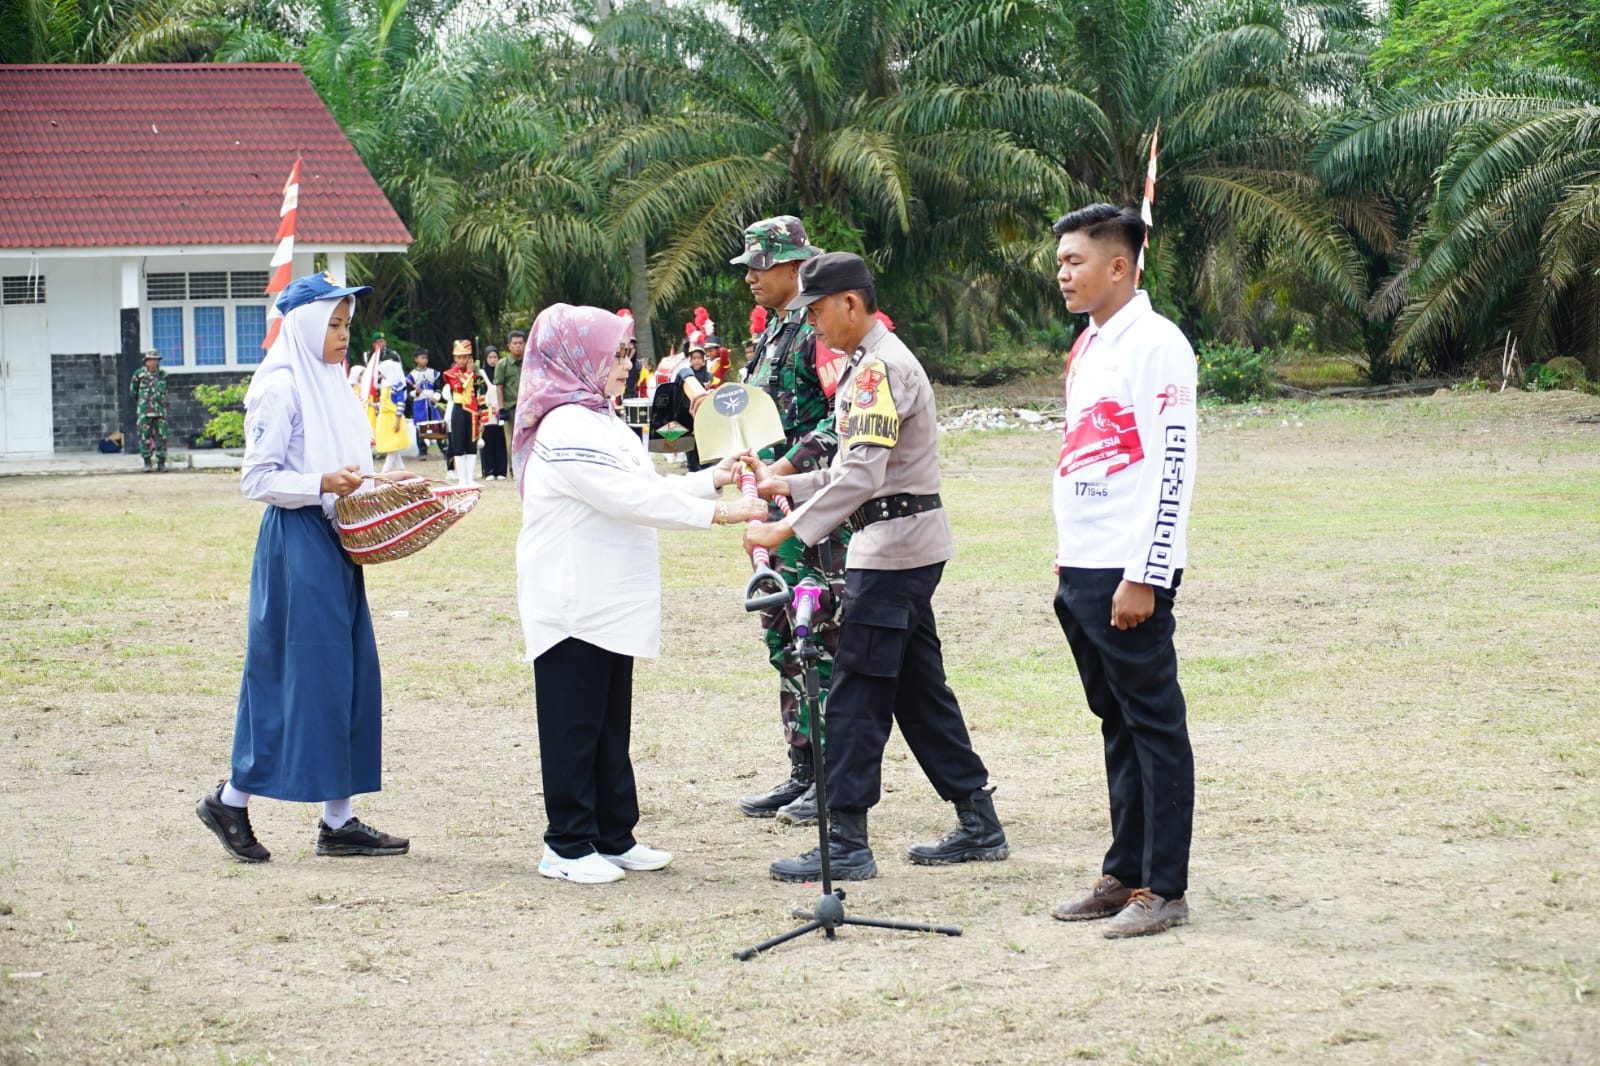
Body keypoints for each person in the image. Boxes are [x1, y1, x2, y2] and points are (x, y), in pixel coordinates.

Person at [745, 251, 1008, 882]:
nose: (812, 326)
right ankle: (978, 820)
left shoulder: (875, 371)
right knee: (919, 691)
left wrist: (787, 526)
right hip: (903, 545)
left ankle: (848, 838)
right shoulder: (875, 365)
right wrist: (787, 487)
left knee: (857, 691)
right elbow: (853, 469)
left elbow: (861, 476)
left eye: (816, 311)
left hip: (891, 552)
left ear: (850, 304)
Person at [512, 304, 765, 884]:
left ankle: (612, 834)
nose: (626, 364)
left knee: (607, 723)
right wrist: (722, 513)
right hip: (573, 599)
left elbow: (645, 484)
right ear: (578, 359)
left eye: (628, 353)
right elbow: (628, 500)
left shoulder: (599, 418)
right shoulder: (566, 425)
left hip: (608, 598)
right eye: (617, 354)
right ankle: (567, 844)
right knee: (573, 725)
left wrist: (713, 475)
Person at [195, 271, 408, 863]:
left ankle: (336, 820)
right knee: (295, 680)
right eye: (334, 324)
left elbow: (346, 465)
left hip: (335, 540)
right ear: (307, 324)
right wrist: (319, 484)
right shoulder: (280, 388)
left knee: (346, 677)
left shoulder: (331, 384)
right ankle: (230, 800)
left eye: (346, 324)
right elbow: (256, 479)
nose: (344, 336)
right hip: (297, 545)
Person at [1045, 204, 1198, 938]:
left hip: (1126, 571)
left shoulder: (1156, 343)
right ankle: (1125, 870)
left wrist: (1146, 572)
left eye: (1075, 260)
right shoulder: (1092, 344)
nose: (1063, 273)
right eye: (1060, 262)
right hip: (1082, 567)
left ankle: (1164, 888)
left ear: (1119, 264)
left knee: (1154, 725)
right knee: (1117, 724)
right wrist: (1066, 561)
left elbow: (1173, 466)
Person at [728, 215, 847, 828]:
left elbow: (842, 421)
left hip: (814, 513)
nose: (749, 276)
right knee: (784, 639)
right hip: (774, 509)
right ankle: (803, 770)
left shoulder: (820, 329)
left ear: (794, 265)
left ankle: (832, 780)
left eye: (759, 264)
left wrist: (786, 466)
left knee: (819, 639)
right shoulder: (775, 331)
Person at [442, 339, 487, 486]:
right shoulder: (450, 374)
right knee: (459, 445)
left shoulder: (476, 375)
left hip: (473, 412)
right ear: (454, 358)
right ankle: (462, 479)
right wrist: (469, 372)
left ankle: (470, 478)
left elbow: (481, 396)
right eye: (459, 357)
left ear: (470, 357)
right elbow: (459, 388)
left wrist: (483, 419)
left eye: (465, 356)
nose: (461, 360)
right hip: (459, 410)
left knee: (471, 446)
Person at [129, 349, 168, 473]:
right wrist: (143, 403)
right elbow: (133, 391)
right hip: (144, 410)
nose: (153, 362)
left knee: (162, 436)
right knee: (144, 435)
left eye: (155, 360)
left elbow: (165, 391)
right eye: (150, 360)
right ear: (146, 361)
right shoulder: (139, 374)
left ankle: (161, 463)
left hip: (160, 410)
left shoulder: (163, 374)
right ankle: (147, 462)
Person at [373, 357, 412, 473]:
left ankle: (386, 470)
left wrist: (397, 421)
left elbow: (401, 404)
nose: (382, 375)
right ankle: (401, 468)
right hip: (384, 419)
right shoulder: (386, 386)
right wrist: (373, 405)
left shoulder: (397, 386)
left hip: (393, 418)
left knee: (392, 447)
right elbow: (383, 404)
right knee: (392, 446)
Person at [495, 329, 526, 473]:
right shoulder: (503, 364)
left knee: (527, 437)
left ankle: (527, 466)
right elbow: (499, 387)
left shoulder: (529, 361)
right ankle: (514, 467)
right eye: (515, 343)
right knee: (511, 440)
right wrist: (501, 409)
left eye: (520, 343)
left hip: (527, 406)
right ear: (509, 346)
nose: (518, 346)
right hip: (510, 407)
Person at [407, 349, 446, 461]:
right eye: (422, 358)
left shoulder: (433, 373)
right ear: (416, 359)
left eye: (426, 358)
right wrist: (416, 393)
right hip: (419, 403)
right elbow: (410, 392)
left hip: (432, 402)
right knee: (420, 427)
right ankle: (422, 451)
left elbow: (438, 388)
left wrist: (436, 397)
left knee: (437, 425)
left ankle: (443, 448)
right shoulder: (412, 375)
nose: (424, 360)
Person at [479, 347, 508, 480]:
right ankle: (489, 470)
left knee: (501, 440)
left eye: (495, 357)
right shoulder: (481, 375)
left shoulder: (502, 372)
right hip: (487, 412)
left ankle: (501, 471)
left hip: (500, 411)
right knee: (488, 440)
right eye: (490, 357)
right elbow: (479, 394)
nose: (492, 360)